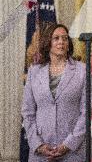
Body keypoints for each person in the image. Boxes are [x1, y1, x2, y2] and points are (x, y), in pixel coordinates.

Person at [21, 23, 86, 161]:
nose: (61, 42)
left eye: (65, 38)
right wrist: (38, 145)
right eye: (56, 38)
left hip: (73, 152)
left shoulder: (82, 70)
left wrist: (68, 145)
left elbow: (86, 113)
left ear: (69, 44)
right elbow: (27, 112)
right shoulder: (34, 71)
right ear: (48, 43)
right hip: (41, 152)